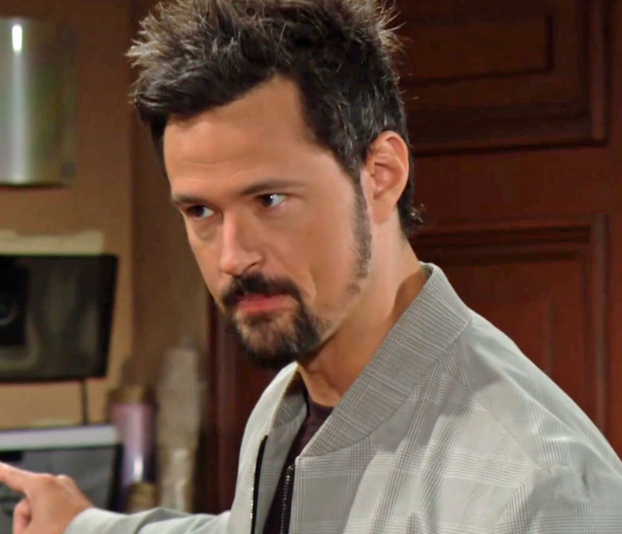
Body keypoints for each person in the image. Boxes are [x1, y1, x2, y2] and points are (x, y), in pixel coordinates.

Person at [1, 0, 622, 532]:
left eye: (270, 199)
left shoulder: (538, 488)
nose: (233, 256)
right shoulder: (289, 401)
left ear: (381, 175)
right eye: (200, 211)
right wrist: (84, 524)